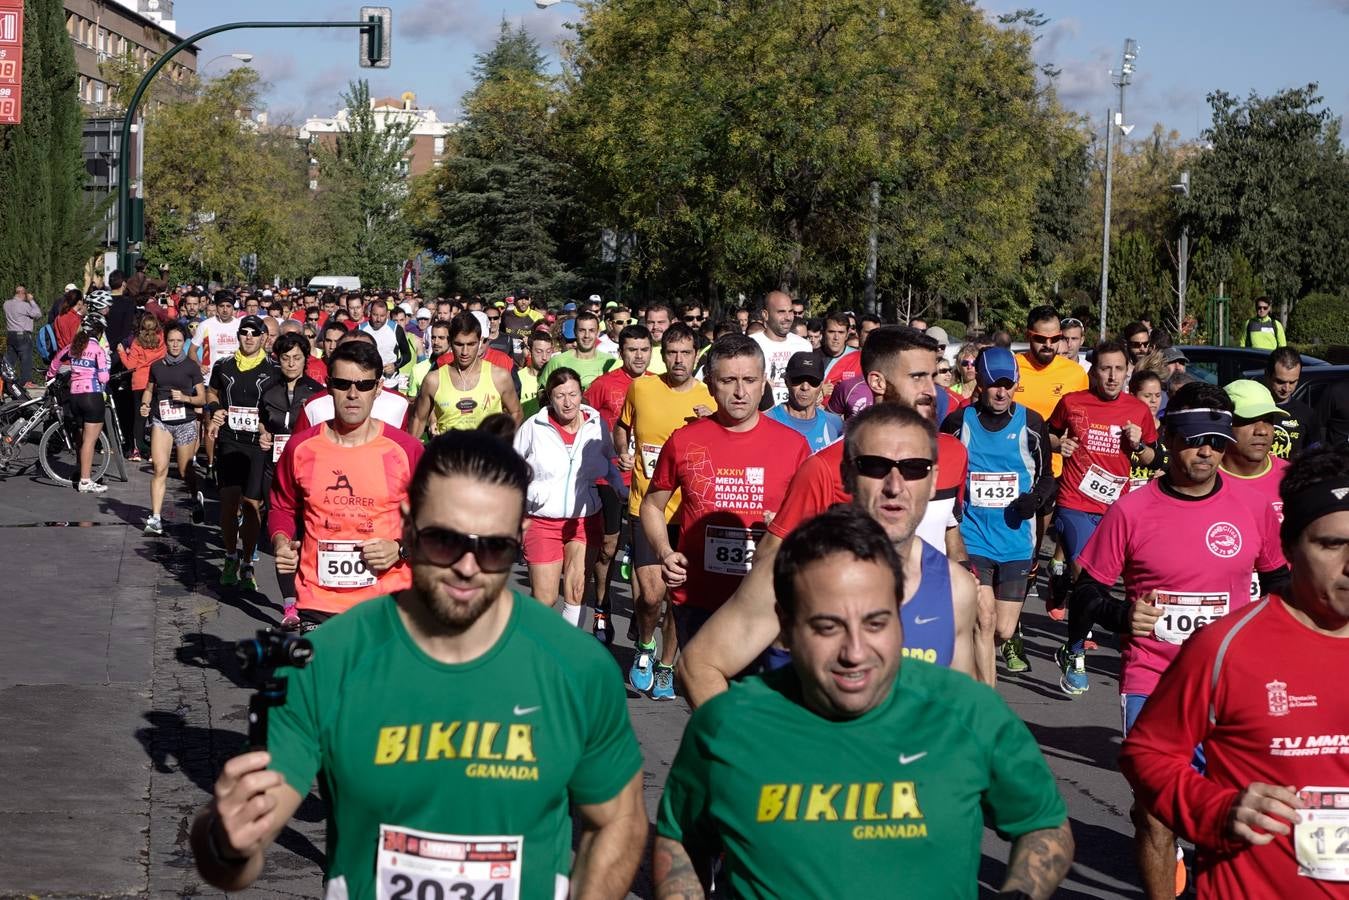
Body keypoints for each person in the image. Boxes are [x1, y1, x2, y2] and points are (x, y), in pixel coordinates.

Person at [195, 430, 647, 898]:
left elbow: (619, 820)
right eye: (444, 541)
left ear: (520, 538)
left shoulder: (577, 667)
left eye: (493, 548)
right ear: (407, 527)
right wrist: (226, 841)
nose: (467, 567)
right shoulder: (329, 661)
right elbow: (233, 863)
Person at [655, 505, 1073, 900]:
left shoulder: (969, 712)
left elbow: (1043, 826)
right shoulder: (728, 723)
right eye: (828, 626)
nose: (855, 651)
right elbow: (679, 842)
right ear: (785, 623)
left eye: (875, 623)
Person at [1058, 381, 1289, 898]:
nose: (1205, 451)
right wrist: (1123, 613)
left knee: (1231, 811)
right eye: (1191, 439)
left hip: (1232, 685)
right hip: (1153, 681)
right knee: (1156, 816)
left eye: (1214, 439)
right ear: (1167, 439)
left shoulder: (1251, 507)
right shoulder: (1132, 509)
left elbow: (1279, 583)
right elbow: (1086, 593)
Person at [1119, 442, 1349, 900]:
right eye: (1331, 544)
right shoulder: (1226, 647)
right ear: (1287, 548)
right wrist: (1218, 809)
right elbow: (1145, 754)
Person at [641, 334, 812, 700]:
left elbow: (814, 524)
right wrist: (663, 553)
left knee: (762, 712)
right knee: (714, 714)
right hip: (699, 599)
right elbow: (652, 506)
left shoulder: (793, 445)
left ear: (764, 382)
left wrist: (787, 529)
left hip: (767, 601)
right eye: (728, 381)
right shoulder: (685, 441)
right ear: (710, 384)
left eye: (749, 380)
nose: (739, 392)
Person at [268, 340, 424, 632]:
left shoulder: (406, 450)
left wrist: (400, 548)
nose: (353, 394)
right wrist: (280, 540)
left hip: (388, 598)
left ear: (378, 388)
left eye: (364, 385)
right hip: (319, 599)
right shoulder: (301, 447)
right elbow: (282, 505)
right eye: (342, 384)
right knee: (325, 678)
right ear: (328, 386)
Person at [613, 323, 715, 700]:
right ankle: (643, 645)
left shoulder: (710, 398)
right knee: (651, 595)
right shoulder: (642, 388)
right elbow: (622, 426)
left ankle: (667, 665)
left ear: (695, 355)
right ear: (663, 353)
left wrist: (713, 422)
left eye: (685, 353)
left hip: (687, 513)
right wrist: (622, 451)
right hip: (646, 507)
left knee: (679, 596)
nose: (677, 360)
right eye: (671, 353)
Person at [942, 347, 1055, 683]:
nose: (1001, 392)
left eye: (1007, 384)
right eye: (994, 384)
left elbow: (1048, 477)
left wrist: (1033, 500)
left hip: (1016, 540)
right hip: (972, 537)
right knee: (984, 619)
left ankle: (970, 660)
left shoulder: (1032, 424)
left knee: (1003, 630)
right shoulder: (959, 422)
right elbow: (944, 469)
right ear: (980, 383)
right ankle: (980, 694)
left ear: (1016, 384)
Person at [514, 368, 627, 627]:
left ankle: (568, 653)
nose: (568, 402)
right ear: (549, 398)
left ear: (581, 395)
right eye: (560, 395)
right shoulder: (534, 426)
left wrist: (619, 486)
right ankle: (537, 648)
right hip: (542, 519)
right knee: (545, 598)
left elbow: (608, 462)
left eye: (573, 395)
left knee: (576, 591)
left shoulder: (596, 423)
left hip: (584, 519)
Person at [1046, 339, 1158, 589]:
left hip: (1117, 507)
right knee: (1086, 575)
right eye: (1105, 369)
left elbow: (1153, 459)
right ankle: (1083, 623)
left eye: (1118, 369)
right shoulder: (1072, 402)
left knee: (1108, 577)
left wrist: (1138, 445)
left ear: (1127, 370)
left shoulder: (1138, 409)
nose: (1112, 376)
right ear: (1094, 371)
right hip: (1075, 501)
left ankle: (1062, 585)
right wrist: (1057, 445)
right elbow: (1049, 433)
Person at [584, 324, 653, 642]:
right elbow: (584, 424)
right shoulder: (603, 385)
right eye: (632, 350)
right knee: (607, 547)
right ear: (621, 352)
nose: (639, 356)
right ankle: (602, 607)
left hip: (649, 480)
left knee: (645, 551)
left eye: (644, 349)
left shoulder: (660, 386)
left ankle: (642, 616)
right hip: (609, 476)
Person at [258, 332, 326, 629]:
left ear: (306, 359)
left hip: (308, 473)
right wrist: (262, 434)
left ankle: (308, 593)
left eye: (297, 358)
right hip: (275, 470)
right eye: (285, 358)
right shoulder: (268, 390)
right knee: (282, 538)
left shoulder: (317, 393)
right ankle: (289, 604)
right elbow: (262, 420)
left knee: (307, 535)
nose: (291, 363)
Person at [206, 315, 277, 591]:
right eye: (243, 332)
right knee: (227, 503)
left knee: (251, 506)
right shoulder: (223, 365)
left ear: (263, 338)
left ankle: (248, 561)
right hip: (230, 440)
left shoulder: (273, 369)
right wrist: (215, 410)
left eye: (254, 333)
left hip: (257, 446)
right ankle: (230, 556)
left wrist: (268, 427)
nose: (248, 337)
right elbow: (211, 392)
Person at [140, 322, 205, 534]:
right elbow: (149, 390)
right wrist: (145, 404)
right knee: (160, 468)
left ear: (184, 343)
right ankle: (156, 518)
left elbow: (202, 399)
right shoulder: (157, 366)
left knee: (186, 471)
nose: (175, 345)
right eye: (171, 341)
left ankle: (196, 497)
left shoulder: (191, 367)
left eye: (178, 341)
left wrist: (185, 397)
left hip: (185, 422)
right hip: (162, 422)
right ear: (165, 342)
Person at [410, 312, 521, 438]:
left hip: (485, 455)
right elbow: (418, 419)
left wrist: (500, 443)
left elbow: (516, 412)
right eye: (459, 344)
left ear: (479, 342)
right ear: (450, 342)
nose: (465, 352)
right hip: (448, 454)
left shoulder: (499, 376)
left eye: (471, 344)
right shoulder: (434, 380)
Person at [48, 312, 111, 493]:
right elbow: (103, 376)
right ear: (98, 332)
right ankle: (85, 481)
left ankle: (80, 471)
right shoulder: (98, 350)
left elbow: (56, 361)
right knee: (90, 441)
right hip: (92, 396)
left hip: (74, 396)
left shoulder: (73, 346)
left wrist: (50, 377)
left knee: (81, 437)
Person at [765, 351, 843, 452]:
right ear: (786, 380)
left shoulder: (835, 424)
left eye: (812, 381)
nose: (805, 387)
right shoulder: (767, 421)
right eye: (798, 379)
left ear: (821, 385)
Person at [750, 291, 812, 407]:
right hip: (764, 416)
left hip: (795, 417)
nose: (788, 317)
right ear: (765, 315)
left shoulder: (804, 346)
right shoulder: (751, 345)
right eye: (781, 312)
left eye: (790, 312)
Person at [1264, 347, 1320, 460]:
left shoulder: (1307, 414)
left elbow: (1315, 456)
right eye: (1280, 382)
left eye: (1293, 382)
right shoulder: (1251, 408)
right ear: (1267, 375)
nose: (1286, 388)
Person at [537, 311, 617, 389]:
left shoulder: (610, 362)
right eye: (582, 330)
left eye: (591, 330)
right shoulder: (558, 361)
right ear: (575, 332)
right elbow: (542, 391)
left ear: (598, 332)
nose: (587, 335)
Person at [359, 299, 412, 392]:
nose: (378, 319)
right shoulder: (361, 329)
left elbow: (407, 355)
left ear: (387, 314)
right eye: (375, 315)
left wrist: (395, 365)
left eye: (382, 316)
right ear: (369, 313)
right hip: (366, 381)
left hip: (389, 382)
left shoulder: (396, 329)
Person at [4, 284, 41, 388]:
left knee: (10, 361)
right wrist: (31, 300)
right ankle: (26, 382)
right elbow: (38, 314)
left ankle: (5, 381)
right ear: (23, 293)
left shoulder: (6, 304)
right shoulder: (25, 305)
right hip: (22, 336)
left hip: (10, 335)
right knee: (26, 360)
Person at [407, 318, 447, 401]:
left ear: (450, 340)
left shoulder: (458, 368)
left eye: (441, 338)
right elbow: (411, 400)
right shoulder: (417, 369)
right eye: (433, 337)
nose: (436, 342)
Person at [519, 328, 553, 417]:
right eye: (539, 351)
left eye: (548, 352)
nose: (544, 357)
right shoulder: (518, 378)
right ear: (530, 351)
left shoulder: (555, 378)